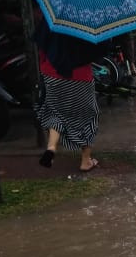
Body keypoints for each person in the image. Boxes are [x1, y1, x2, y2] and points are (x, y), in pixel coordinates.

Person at [34, 15, 105, 172]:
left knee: (56, 111)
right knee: (87, 115)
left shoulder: (51, 18)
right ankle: (86, 161)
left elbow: (42, 47)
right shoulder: (87, 21)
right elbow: (97, 52)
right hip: (79, 76)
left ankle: (51, 147)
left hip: (51, 73)